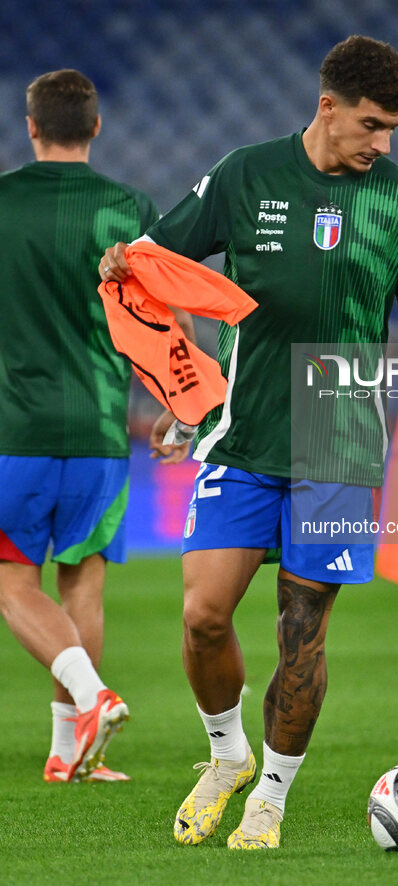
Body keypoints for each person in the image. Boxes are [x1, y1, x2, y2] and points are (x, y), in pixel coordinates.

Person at [100, 35, 398, 849]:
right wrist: (182, 385)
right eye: (371, 125)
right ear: (326, 106)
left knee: (300, 628)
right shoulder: (245, 174)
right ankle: (226, 756)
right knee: (202, 615)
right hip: (244, 429)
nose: (384, 144)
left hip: (340, 428)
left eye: (394, 129)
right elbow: (156, 268)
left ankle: (269, 793)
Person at [0, 69, 180, 783]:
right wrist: (176, 400)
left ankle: (90, 695)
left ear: (31, 124)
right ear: (96, 127)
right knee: (84, 581)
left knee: (13, 580)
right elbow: (168, 308)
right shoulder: (127, 205)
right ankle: (69, 749)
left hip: (16, 427)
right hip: (103, 431)